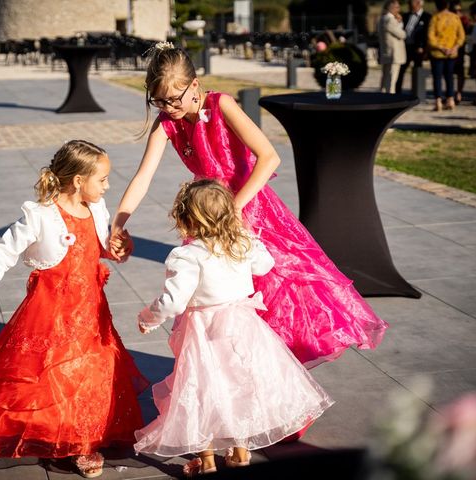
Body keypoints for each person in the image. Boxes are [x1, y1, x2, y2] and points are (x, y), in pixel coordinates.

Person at [109, 43, 388, 373]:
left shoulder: (221, 104)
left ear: (194, 86)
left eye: (174, 98)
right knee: (218, 303)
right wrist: (119, 222)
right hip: (209, 215)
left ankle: (276, 379)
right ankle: (238, 379)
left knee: (272, 295)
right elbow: (143, 176)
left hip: (250, 209)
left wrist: (233, 208)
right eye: (160, 101)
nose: (169, 107)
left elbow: (269, 157)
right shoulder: (166, 124)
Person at [0, 140, 148, 479]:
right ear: (78, 180)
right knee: (52, 376)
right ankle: (70, 441)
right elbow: (4, 251)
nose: (107, 186)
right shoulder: (41, 215)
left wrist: (120, 248)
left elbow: (102, 248)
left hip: (91, 312)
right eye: (102, 179)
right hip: (50, 313)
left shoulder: (97, 209)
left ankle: (85, 438)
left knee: (90, 372)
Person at [133, 180, 334, 476]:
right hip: (244, 328)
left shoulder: (188, 256)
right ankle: (240, 454)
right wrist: (250, 237)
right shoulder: (241, 242)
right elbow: (264, 265)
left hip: (205, 332)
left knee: (202, 390)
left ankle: (208, 461)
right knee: (240, 388)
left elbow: (173, 302)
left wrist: (148, 317)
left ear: (187, 218)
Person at [428, 0, 466, 111]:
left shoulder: (435, 18)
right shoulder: (455, 18)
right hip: (452, 53)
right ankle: (451, 100)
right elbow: (461, 36)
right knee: (449, 77)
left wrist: (441, 48)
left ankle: (438, 101)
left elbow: (430, 37)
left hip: (438, 53)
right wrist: (455, 47)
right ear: (448, 5)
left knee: (437, 77)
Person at [396, 0, 432, 94]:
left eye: (411, 3)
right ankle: (397, 91)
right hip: (406, 47)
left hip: (418, 49)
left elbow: (426, 34)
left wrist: (424, 48)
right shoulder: (406, 16)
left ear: (418, 3)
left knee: (418, 70)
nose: (409, 5)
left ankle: (417, 92)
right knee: (401, 69)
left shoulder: (427, 17)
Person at [378, 0, 407, 93]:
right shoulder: (390, 20)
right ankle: (390, 98)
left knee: (385, 77)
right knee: (392, 79)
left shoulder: (382, 19)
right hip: (394, 54)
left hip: (386, 52)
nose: (399, 9)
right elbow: (402, 34)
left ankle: (382, 96)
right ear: (392, 8)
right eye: (397, 7)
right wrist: (400, 22)